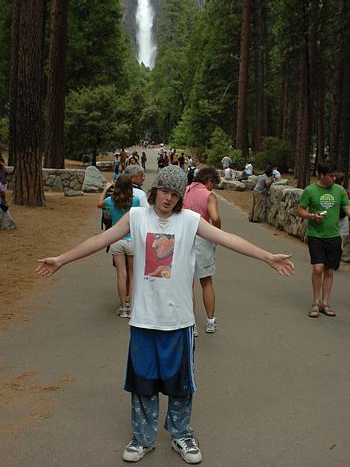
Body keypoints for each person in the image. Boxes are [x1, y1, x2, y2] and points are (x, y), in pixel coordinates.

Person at [36, 165, 293, 464]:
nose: (168, 199)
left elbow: (229, 239)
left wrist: (267, 257)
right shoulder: (137, 216)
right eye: (164, 191)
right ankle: (143, 438)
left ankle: (182, 434)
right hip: (144, 319)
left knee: (180, 385)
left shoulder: (190, 221)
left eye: (175, 193)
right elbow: (101, 240)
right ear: (154, 190)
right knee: (143, 382)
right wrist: (62, 259)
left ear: (181, 196)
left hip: (179, 321)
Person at [297, 163, 350, 318]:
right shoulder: (310, 190)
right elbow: (300, 210)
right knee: (318, 268)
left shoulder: (340, 190)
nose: (334, 178)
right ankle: (316, 302)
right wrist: (312, 216)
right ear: (321, 175)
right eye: (330, 176)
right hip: (316, 236)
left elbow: (347, 209)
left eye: (334, 175)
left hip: (334, 236)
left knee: (329, 270)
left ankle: (325, 304)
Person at [183, 167, 221, 334]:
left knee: (188, 283)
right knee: (206, 282)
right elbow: (215, 217)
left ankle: (192, 324)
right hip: (202, 237)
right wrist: (217, 232)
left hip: (185, 237)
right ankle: (210, 321)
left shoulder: (186, 190)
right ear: (210, 181)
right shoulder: (209, 195)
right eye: (213, 184)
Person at [97, 177, 140, 317]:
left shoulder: (110, 201)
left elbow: (99, 204)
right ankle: (132, 306)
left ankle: (123, 308)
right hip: (132, 239)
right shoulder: (135, 201)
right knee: (132, 275)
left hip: (116, 240)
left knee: (121, 275)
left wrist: (106, 188)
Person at [335, 172, 350, 246]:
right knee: (341, 239)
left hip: (334, 217)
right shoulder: (346, 192)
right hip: (343, 218)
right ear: (342, 181)